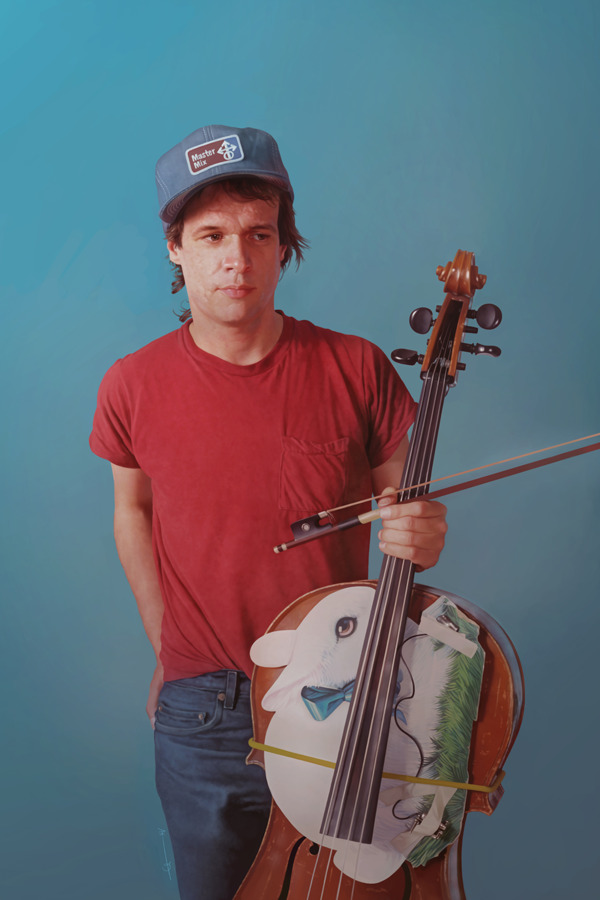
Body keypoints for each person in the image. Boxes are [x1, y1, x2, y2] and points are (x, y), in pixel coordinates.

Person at [90, 125, 447, 900]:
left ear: (285, 247)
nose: (237, 258)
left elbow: (408, 517)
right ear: (176, 249)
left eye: (259, 234)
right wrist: (166, 644)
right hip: (204, 709)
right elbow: (131, 511)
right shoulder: (131, 384)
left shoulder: (354, 365)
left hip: (344, 695)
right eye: (212, 236)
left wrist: (424, 532)